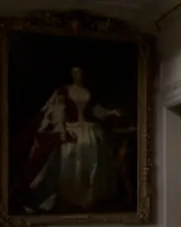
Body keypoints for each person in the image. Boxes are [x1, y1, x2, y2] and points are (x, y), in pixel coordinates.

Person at [26, 64, 119, 212]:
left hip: (88, 127)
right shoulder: (64, 90)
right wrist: (62, 130)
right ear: (72, 74)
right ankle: (70, 196)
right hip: (71, 128)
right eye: (76, 72)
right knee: (70, 157)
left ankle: (89, 196)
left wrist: (110, 113)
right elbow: (59, 112)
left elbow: (95, 109)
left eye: (80, 72)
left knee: (92, 154)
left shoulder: (86, 91)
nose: (78, 75)